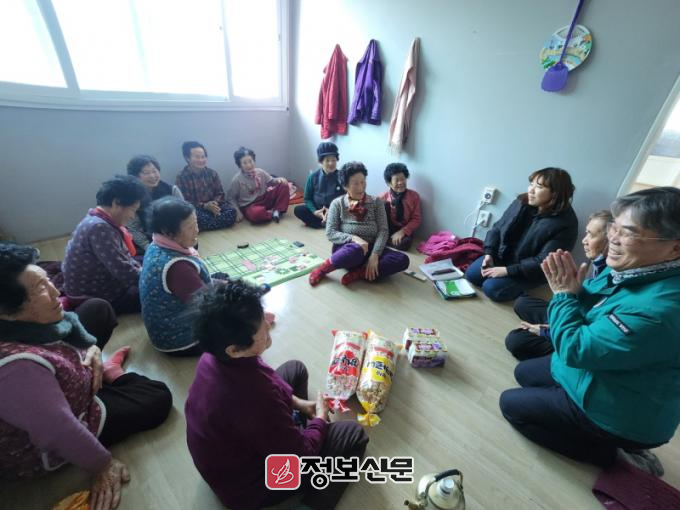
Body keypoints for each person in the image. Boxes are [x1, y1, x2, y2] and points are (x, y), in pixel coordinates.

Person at [499, 187, 680, 475]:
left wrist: (562, 294)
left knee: (510, 405)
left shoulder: (661, 311)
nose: (613, 239)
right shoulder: (635, 267)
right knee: (524, 373)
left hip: (623, 412)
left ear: (675, 248)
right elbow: (587, 306)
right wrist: (569, 293)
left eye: (628, 233)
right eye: (614, 227)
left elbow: (575, 349)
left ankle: (613, 456)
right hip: (603, 371)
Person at [0, 243, 172, 509]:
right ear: (6, 312)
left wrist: (89, 348)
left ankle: (97, 369)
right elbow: (57, 431)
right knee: (157, 396)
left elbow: (65, 323)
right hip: (70, 417)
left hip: (64, 376)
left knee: (98, 309)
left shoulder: (22, 325)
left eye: (47, 280)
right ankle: (112, 374)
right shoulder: (17, 369)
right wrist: (102, 465)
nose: (55, 291)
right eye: (41, 289)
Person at [185, 280, 369, 510]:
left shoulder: (213, 357)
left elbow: (265, 378)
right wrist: (320, 420)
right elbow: (301, 455)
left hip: (229, 458)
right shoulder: (253, 399)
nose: (267, 323)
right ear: (234, 349)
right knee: (353, 435)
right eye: (260, 326)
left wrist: (298, 403)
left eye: (262, 315)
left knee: (295, 369)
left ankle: (292, 431)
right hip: (249, 488)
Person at [506, 209, 612, 361]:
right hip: (576, 318)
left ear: (610, 241)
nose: (584, 240)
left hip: (578, 336)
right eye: (586, 233)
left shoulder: (613, 278)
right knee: (522, 303)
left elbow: (588, 329)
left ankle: (554, 347)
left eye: (591, 235)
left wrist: (544, 331)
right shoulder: (599, 264)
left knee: (516, 340)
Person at [465, 167, 578, 302]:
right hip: (503, 256)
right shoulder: (522, 201)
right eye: (531, 184)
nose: (531, 190)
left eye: (539, 187)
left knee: (491, 289)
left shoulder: (565, 224)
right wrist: (489, 253)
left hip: (528, 271)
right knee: (471, 275)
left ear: (555, 194)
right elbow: (497, 228)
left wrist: (507, 271)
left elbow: (544, 261)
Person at [308, 162, 410, 287]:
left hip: (371, 247)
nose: (361, 187)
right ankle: (322, 269)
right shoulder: (337, 203)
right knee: (355, 250)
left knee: (402, 260)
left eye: (363, 181)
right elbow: (330, 233)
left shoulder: (376, 202)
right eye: (355, 183)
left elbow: (383, 231)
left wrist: (375, 255)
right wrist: (353, 238)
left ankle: (359, 273)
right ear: (345, 186)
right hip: (348, 249)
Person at [63, 176, 146, 315]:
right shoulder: (100, 228)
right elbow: (124, 271)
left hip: (84, 287)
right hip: (93, 296)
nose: (133, 216)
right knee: (157, 292)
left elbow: (123, 259)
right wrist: (152, 278)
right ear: (116, 203)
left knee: (145, 261)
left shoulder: (95, 217)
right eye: (133, 210)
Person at [139, 197, 209, 356]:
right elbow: (208, 305)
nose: (197, 230)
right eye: (190, 227)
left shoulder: (156, 244)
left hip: (163, 330)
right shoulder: (178, 267)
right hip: (179, 339)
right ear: (167, 231)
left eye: (196, 223)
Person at [126, 155, 184, 255]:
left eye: (154, 171)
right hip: (148, 241)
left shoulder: (171, 189)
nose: (152, 176)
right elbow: (134, 229)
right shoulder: (132, 197)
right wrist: (149, 248)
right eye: (146, 173)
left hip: (174, 236)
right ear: (135, 176)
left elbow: (185, 216)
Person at [175, 141, 237, 231]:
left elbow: (220, 193)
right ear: (187, 158)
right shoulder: (181, 177)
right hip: (198, 209)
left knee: (232, 212)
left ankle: (203, 225)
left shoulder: (212, 173)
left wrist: (214, 203)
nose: (201, 160)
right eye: (197, 157)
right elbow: (184, 202)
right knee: (193, 217)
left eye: (203, 157)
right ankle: (210, 223)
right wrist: (205, 206)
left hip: (214, 206)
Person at [229, 146, 290, 224]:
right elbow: (231, 198)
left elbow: (271, 181)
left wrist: (279, 179)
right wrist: (237, 211)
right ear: (240, 165)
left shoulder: (260, 172)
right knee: (256, 214)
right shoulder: (237, 179)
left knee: (284, 185)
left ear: (254, 161)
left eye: (250, 161)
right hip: (250, 205)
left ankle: (277, 211)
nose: (249, 165)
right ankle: (270, 214)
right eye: (244, 163)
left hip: (265, 198)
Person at [293, 142, 345, 229]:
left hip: (336, 211)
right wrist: (315, 211)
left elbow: (347, 199)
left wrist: (333, 210)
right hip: (319, 211)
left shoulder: (342, 177)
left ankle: (326, 223)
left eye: (333, 160)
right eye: (327, 160)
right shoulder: (313, 177)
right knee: (298, 210)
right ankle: (326, 223)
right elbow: (307, 198)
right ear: (320, 161)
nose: (331, 163)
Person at [378, 162, 422, 250]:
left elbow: (416, 219)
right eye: (397, 180)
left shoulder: (414, 196)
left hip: (404, 227)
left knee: (405, 244)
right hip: (386, 228)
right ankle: (383, 238)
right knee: (384, 204)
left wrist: (402, 232)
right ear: (389, 183)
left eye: (403, 179)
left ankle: (383, 240)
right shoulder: (383, 197)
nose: (401, 182)